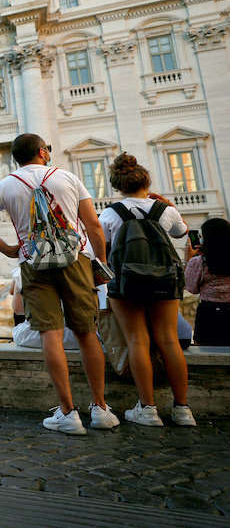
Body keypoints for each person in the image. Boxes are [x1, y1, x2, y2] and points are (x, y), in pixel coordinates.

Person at [0, 133, 117, 435]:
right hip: (76, 260)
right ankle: (100, 408)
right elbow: (93, 225)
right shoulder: (66, 177)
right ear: (42, 152)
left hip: (33, 263)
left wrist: (9, 248)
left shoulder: (6, 184)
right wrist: (99, 262)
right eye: (47, 150)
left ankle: (68, 413)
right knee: (88, 332)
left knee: (51, 334)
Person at [99, 152, 194, 427]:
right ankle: (182, 409)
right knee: (168, 340)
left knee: (136, 342)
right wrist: (168, 205)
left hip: (126, 282)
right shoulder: (166, 211)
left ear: (118, 186)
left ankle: (148, 409)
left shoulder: (109, 214)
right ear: (147, 182)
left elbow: (102, 249)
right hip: (164, 279)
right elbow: (181, 232)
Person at [185, 218, 230, 346]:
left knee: (205, 352)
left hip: (210, 314)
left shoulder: (200, 262)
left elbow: (191, 288)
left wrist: (188, 260)